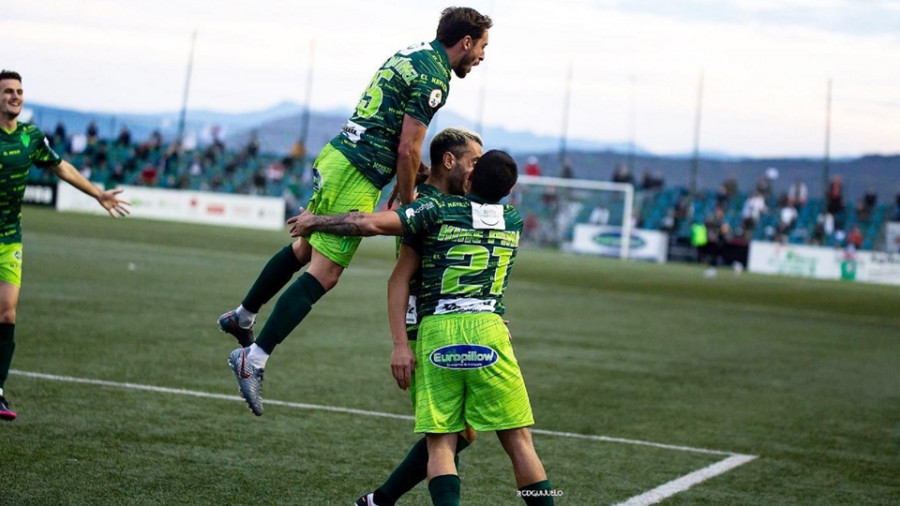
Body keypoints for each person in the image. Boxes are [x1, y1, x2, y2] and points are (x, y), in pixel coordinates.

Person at [220, 7, 492, 417]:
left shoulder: (412, 54)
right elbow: (407, 148)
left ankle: (242, 317)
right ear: (466, 42)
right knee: (325, 272)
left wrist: (410, 178)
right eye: (483, 47)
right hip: (357, 173)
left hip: (341, 157)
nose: (483, 57)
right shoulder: (436, 77)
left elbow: (399, 143)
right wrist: (408, 200)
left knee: (305, 250)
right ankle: (253, 358)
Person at [288, 150, 554, 506]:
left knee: (441, 443)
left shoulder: (438, 211)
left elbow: (371, 223)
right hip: (491, 330)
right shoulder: (514, 220)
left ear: (471, 179)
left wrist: (315, 221)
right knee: (520, 442)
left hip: (438, 330)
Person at [356, 127, 483, 506]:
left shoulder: (442, 200)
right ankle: (380, 500)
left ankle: (379, 500)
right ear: (451, 161)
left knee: (460, 433)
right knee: (445, 436)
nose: (478, 171)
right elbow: (400, 278)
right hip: (426, 330)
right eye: (474, 162)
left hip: (451, 325)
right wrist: (400, 344)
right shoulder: (423, 207)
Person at [0, 70, 130, 421]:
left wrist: (98, 193)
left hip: (9, 236)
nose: (15, 96)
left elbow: (62, 168)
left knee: (7, 312)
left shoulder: (30, 136)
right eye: (8, 91)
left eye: (19, 91)